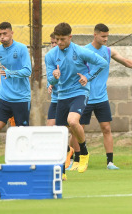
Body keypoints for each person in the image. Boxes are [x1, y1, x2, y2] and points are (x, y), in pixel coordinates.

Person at [70, 23, 132, 170]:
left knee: (106, 128)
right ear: (95, 35)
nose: (106, 39)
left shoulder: (108, 51)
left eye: (107, 36)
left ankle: (110, 162)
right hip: (84, 97)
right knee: (78, 129)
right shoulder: (84, 51)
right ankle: (76, 160)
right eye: (103, 36)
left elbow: (127, 62)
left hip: (101, 98)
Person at [45, 22, 108, 180]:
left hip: (79, 92)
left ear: (70, 37)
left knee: (73, 121)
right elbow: (49, 81)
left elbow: (102, 63)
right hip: (62, 96)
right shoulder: (50, 56)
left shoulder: (80, 51)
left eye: (63, 39)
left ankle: (84, 152)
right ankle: (62, 171)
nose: (59, 42)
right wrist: (54, 78)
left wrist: (88, 77)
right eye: (57, 39)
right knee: (60, 134)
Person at [0, 22, 32, 131]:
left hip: (21, 97)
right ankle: (12, 116)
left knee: (22, 131)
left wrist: (11, 73)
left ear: (12, 33)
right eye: (0, 34)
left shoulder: (22, 48)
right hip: (5, 96)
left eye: (5, 34)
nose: (2, 37)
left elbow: (28, 71)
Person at [46, 32, 75, 172]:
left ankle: (70, 155)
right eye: (52, 42)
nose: (55, 44)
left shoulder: (68, 56)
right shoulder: (51, 58)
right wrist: (50, 84)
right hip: (56, 99)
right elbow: (49, 77)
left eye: (56, 42)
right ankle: (61, 155)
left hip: (68, 97)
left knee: (69, 128)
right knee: (52, 128)